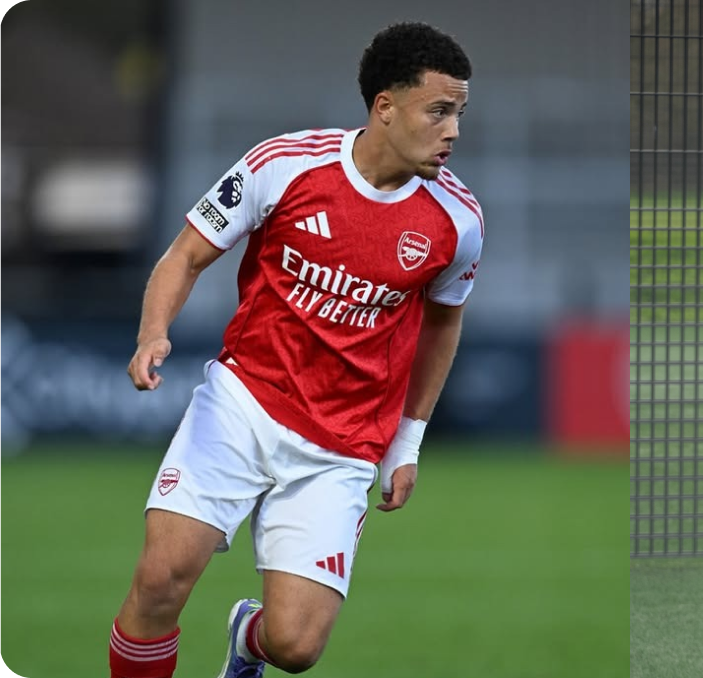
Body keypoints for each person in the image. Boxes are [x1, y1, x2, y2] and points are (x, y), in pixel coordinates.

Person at [109, 21, 483, 678]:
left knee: (295, 648)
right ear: (385, 107)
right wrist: (152, 333)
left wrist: (408, 442)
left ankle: (245, 643)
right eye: (439, 111)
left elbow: (443, 324)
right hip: (243, 405)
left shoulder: (458, 222)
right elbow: (186, 254)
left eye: (459, 113)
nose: (453, 130)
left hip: (342, 446)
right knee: (160, 580)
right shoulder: (284, 165)